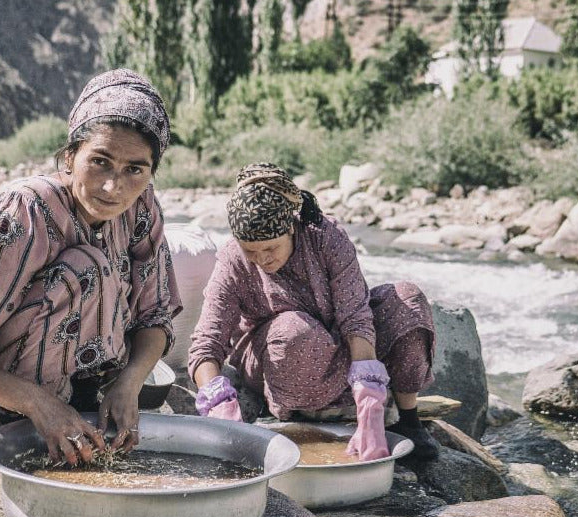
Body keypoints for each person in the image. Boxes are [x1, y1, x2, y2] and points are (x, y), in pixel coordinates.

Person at [0, 69, 181, 466]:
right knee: (85, 268)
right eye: (100, 162)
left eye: (135, 169)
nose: (113, 187)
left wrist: (129, 384)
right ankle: (12, 418)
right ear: (70, 157)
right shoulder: (27, 212)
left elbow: (155, 313)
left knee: (100, 270)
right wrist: (37, 404)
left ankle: (82, 400)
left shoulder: (142, 207)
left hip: (78, 376)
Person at [187, 163, 441, 462]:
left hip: (341, 349)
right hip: (283, 358)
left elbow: (356, 315)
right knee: (296, 330)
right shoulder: (232, 259)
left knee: (406, 298)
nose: (262, 260)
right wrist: (218, 400)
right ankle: (301, 407)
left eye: (271, 248)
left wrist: (369, 393)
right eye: (251, 251)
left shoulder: (325, 236)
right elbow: (207, 341)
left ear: (291, 228)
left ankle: (408, 421)